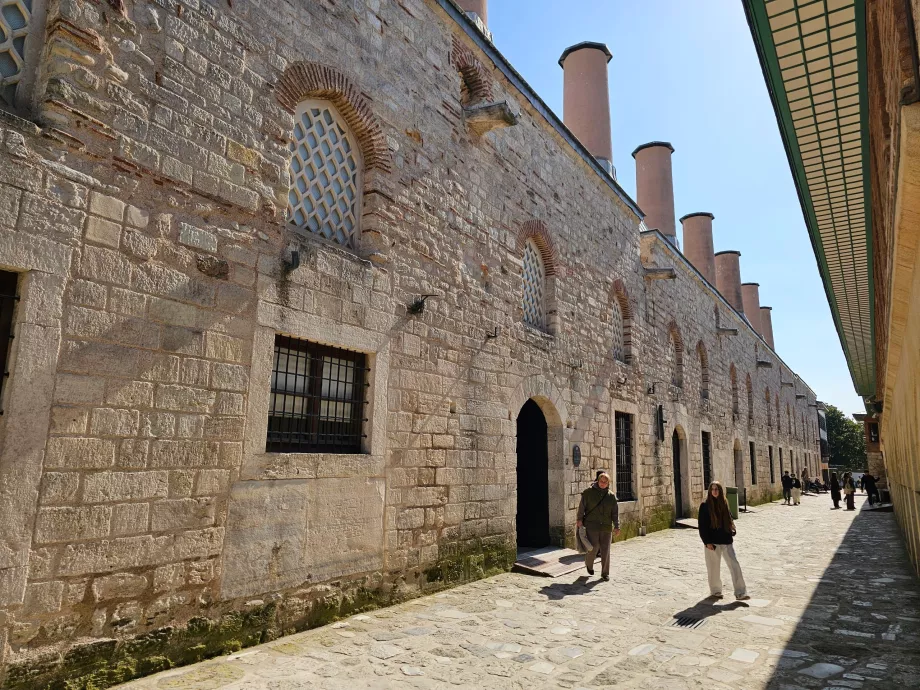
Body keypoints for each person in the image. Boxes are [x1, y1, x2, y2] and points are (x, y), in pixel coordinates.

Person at [698, 481, 749, 601]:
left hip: (726, 540)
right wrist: (707, 542)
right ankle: (715, 591)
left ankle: (741, 592)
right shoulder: (705, 506)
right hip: (713, 542)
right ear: (710, 491)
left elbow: (729, 518)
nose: (715, 491)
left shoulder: (724, 503)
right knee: (713, 568)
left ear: (720, 491)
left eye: (717, 489)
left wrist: (731, 529)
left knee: (734, 565)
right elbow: (702, 526)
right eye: (713, 489)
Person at [576, 472, 620, 581]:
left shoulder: (611, 496)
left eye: (605, 482)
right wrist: (579, 519)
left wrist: (617, 526)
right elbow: (582, 507)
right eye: (601, 481)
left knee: (606, 550)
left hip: (606, 527)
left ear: (608, 483)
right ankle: (589, 564)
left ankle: (605, 573)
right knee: (593, 548)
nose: (603, 484)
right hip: (592, 526)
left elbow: (615, 513)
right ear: (598, 481)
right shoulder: (588, 493)